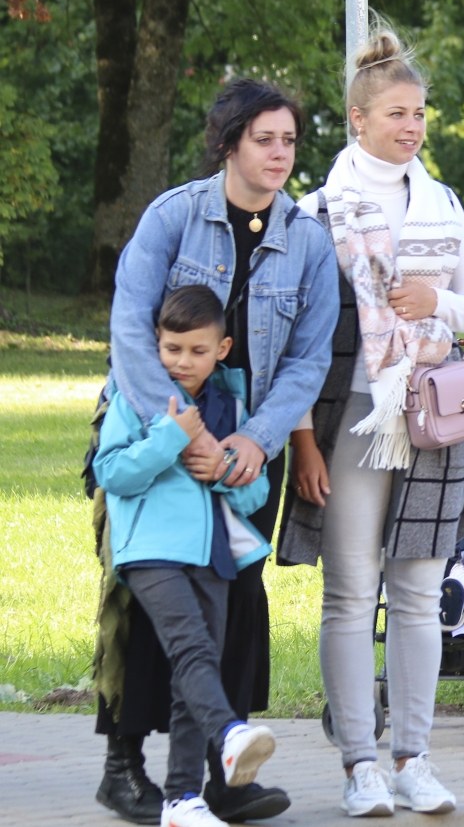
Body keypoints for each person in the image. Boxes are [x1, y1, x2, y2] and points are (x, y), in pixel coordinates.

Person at [98, 79, 337, 824]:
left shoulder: (307, 238)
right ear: (230, 143)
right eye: (264, 139)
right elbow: (130, 327)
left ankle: (214, 774)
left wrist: (254, 440)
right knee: (147, 604)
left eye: (289, 140)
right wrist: (185, 428)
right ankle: (123, 768)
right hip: (151, 428)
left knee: (231, 605)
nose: (279, 153)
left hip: (244, 447)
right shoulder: (173, 215)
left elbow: (308, 358)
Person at [280, 27, 464, 817]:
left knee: (417, 589)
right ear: (358, 120)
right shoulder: (316, 211)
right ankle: (360, 764)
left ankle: (415, 757)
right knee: (349, 592)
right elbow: (289, 339)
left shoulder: (443, 203)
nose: (412, 127)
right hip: (349, 420)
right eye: (397, 113)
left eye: (420, 114)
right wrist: (301, 436)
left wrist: (437, 304)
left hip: (431, 416)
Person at [95, 286, 280, 827]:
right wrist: (169, 440)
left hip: (215, 557)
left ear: (221, 349)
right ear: (155, 344)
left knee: (195, 673)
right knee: (193, 648)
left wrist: (222, 469)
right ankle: (229, 733)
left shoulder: (231, 404)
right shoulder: (132, 395)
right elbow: (112, 472)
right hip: (151, 552)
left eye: (197, 351)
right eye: (172, 349)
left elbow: (253, 495)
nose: (182, 361)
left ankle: (182, 800)